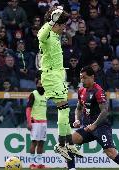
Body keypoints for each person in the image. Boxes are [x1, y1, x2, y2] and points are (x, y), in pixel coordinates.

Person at [59, 66, 119, 170]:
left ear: (92, 77)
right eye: (81, 78)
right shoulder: (81, 91)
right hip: (88, 127)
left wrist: (94, 125)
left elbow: (105, 111)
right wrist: (77, 119)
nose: (82, 80)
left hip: (101, 127)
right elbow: (78, 108)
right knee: (69, 141)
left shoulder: (98, 91)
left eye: (85, 78)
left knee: (111, 152)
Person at [37, 6, 81, 160]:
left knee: (65, 111)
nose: (64, 27)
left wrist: (56, 11)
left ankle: (67, 143)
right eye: (61, 24)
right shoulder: (47, 34)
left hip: (59, 75)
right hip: (50, 76)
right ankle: (61, 145)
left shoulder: (56, 37)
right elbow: (40, 35)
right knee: (63, 109)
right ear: (54, 24)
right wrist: (51, 20)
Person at [26, 79, 47, 169]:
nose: (41, 86)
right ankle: (31, 163)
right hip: (35, 122)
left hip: (44, 122)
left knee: (41, 143)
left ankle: (40, 164)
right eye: (39, 84)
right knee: (34, 142)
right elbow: (28, 109)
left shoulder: (46, 95)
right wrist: (29, 122)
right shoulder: (33, 94)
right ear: (36, 85)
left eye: (42, 84)